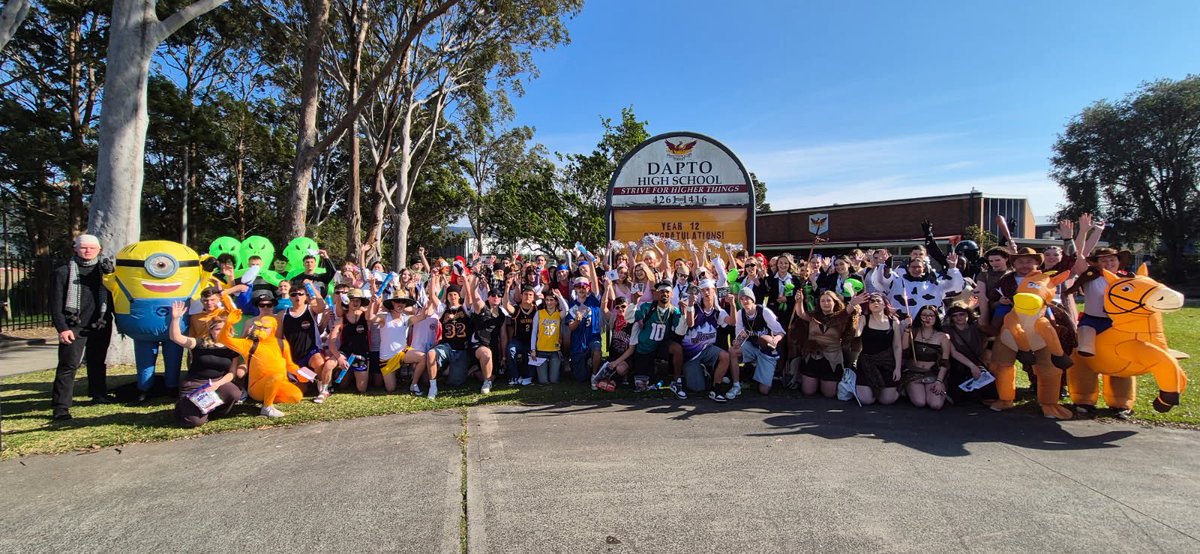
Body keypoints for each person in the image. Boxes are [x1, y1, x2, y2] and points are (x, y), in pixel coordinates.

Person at [49, 234, 114, 420]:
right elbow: (55, 304)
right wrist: (62, 328)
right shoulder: (63, 272)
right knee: (68, 365)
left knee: (97, 361)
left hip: (100, 323)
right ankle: (61, 407)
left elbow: (115, 297)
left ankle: (99, 395)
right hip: (73, 325)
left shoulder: (106, 271)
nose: (88, 251)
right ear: (75, 248)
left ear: (99, 249)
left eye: (92, 248)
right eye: (84, 247)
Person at [168, 301, 242, 427]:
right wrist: (175, 319)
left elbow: (231, 373)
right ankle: (183, 406)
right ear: (211, 330)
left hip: (216, 383)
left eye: (224, 329)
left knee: (234, 393)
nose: (221, 332)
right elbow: (176, 338)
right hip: (195, 384)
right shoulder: (199, 343)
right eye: (218, 329)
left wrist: (217, 384)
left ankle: (212, 411)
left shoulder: (232, 349)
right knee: (194, 422)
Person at [609, 280, 684, 394]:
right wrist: (634, 302)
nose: (665, 294)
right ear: (657, 294)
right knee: (642, 385)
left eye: (667, 292)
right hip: (644, 348)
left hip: (660, 345)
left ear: (671, 294)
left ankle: (676, 381)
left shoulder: (674, 311)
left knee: (677, 348)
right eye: (662, 291)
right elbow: (629, 318)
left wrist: (686, 313)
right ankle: (623, 377)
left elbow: (680, 331)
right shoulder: (646, 307)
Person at [794, 290, 863, 398]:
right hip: (812, 356)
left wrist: (853, 303)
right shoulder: (814, 316)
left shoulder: (841, 317)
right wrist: (799, 301)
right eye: (823, 301)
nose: (826, 303)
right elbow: (801, 314)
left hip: (832, 358)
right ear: (819, 303)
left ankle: (824, 381)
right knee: (808, 392)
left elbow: (848, 311)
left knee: (829, 394)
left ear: (834, 302)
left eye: (828, 300)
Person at [280, 281, 336, 403]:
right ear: (289, 297)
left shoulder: (310, 310)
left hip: (311, 351)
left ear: (305, 296)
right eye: (294, 294)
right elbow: (278, 338)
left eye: (300, 294)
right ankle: (313, 381)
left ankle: (324, 390)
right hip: (294, 356)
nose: (297, 297)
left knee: (319, 362)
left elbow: (321, 305)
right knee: (300, 391)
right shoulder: (283, 314)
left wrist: (310, 286)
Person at [679, 279, 734, 402]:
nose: (706, 293)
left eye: (708, 289)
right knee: (698, 388)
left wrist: (733, 305)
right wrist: (690, 305)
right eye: (703, 290)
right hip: (691, 354)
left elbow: (732, 322)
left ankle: (716, 388)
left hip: (707, 349)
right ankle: (704, 371)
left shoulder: (717, 311)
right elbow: (690, 323)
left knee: (725, 356)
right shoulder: (694, 306)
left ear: (714, 291)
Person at [732, 285, 786, 396]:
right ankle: (736, 384)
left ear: (752, 299)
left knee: (764, 391)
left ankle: (763, 369)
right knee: (733, 351)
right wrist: (737, 342)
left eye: (747, 298)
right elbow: (740, 336)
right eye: (741, 299)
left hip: (766, 349)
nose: (744, 301)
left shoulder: (764, 312)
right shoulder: (740, 314)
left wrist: (775, 339)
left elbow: (781, 332)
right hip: (752, 346)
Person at [853, 292, 903, 405]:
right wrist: (854, 308)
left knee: (886, 400)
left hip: (886, 363)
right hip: (867, 363)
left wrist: (898, 368)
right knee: (866, 400)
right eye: (872, 301)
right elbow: (856, 334)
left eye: (878, 301)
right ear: (868, 305)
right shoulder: (864, 318)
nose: (875, 303)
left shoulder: (894, 321)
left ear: (885, 304)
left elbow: (897, 346)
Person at [900, 305, 952, 410]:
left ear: (936, 318)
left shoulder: (943, 336)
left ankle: (941, 391)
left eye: (931, 315)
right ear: (919, 317)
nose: (927, 318)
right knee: (920, 402)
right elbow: (904, 349)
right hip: (914, 373)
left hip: (933, 374)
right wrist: (907, 329)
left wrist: (939, 381)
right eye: (924, 315)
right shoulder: (913, 332)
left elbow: (945, 362)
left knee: (935, 405)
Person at [328, 288, 379, 394]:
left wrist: (373, 300)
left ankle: (355, 372)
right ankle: (333, 382)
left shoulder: (365, 316)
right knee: (343, 386)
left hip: (361, 353)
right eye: (352, 300)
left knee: (361, 389)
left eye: (357, 300)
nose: (355, 303)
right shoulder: (341, 319)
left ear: (361, 302)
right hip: (345, 354)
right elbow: (331, 343)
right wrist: (340, 358)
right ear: (347, 301)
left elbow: (373, 312)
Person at [530, 290, 567, 384]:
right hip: (541, 350)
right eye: (547, 300)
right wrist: (533, 349)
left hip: (554, 351)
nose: (549, 302)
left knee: (554, 380)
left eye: (551, 300)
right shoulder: (539, 313)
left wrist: (559, 296)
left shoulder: (558, 314)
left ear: (556, 302)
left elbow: (566, 310)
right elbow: (534, 332)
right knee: (543, 381)